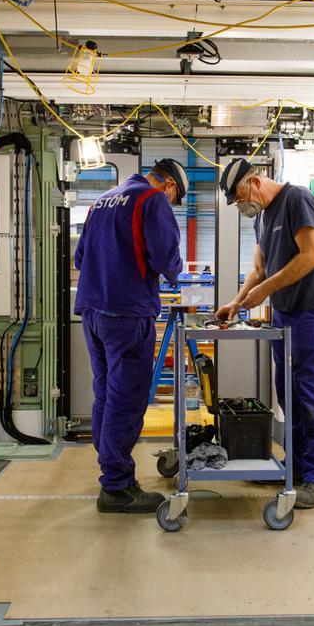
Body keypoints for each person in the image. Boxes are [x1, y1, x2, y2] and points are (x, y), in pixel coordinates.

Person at [216, 158, 314, 509]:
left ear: (254, 181)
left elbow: (311, 256)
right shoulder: (265, 218)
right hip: (283, 313)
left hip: (310, 309)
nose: (241, 206)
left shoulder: (297, 200)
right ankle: (296, 466)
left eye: (240, 197)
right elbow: (259, 267)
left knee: (311, 390)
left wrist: (265, 290)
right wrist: (237, 303)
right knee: (287, 390)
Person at [75, 157, 188, 513]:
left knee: (105, 392)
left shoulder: (101, 201)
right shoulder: (151, 200)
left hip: (92, 311)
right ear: (169, 186)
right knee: (128, 397)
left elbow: (81, 259)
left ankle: (110, 467)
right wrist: (172, 269)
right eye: (174, 199)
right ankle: (117, 486)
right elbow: (167, 261)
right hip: (127, 313)